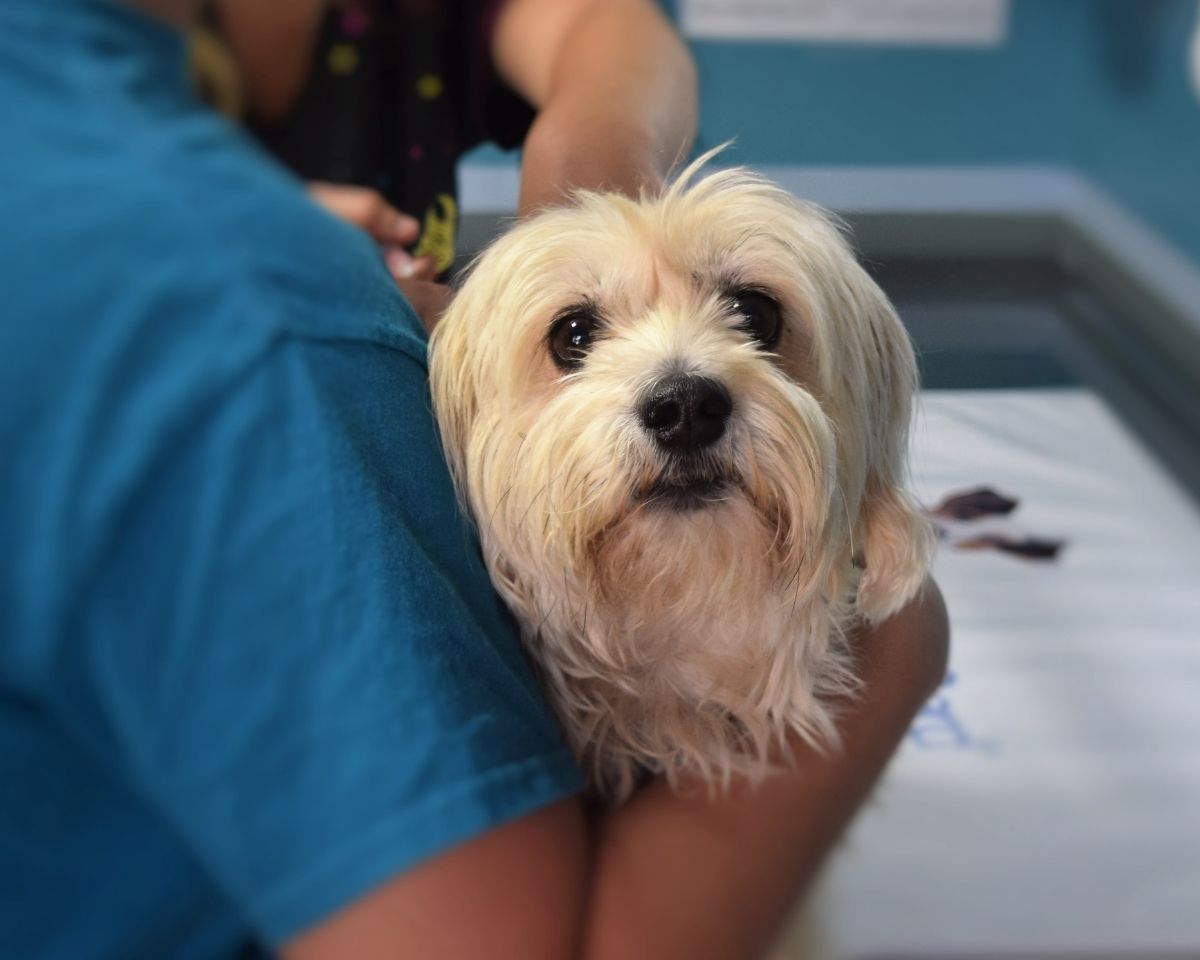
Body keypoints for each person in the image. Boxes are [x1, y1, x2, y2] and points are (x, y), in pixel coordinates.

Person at [0, 2, 949, 960]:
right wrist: (901, 642)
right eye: (577, 339)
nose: (682, 392)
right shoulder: (264, 328)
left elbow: (601, 25)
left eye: (751, 311)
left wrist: (580, 218)